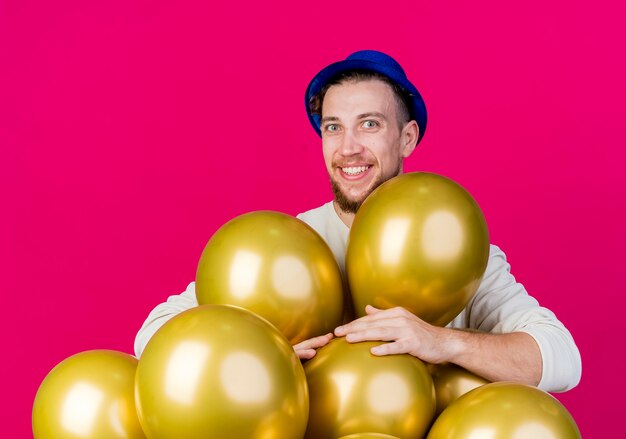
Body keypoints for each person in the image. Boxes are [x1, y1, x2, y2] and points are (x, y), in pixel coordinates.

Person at [134, 50, 581, 392]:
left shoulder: (455, 248)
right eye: (333, 127)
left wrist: (442, 341)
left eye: (369, 124)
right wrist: (259, 354)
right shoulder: (285, 245)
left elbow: (564, 360)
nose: (348, 147)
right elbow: (153, 335)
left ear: (407, 138)